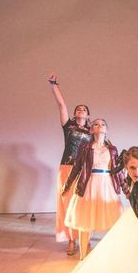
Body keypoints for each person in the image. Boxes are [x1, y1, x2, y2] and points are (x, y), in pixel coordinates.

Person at [62, 118, 126, 260]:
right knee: (85, 220)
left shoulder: (112, 149)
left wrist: (126, 190)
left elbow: (118, 171)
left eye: (103, 124)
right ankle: (83, 256)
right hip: (88, 184)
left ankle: (113, 255)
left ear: (106, 129)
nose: (100, 126)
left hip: (107, 185)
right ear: (91, 129)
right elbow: (77, 168)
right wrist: (67, 185)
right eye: (96, 124)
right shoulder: (85, 147)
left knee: (112, 220)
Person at [48, 73, 91, 256]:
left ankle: (85, 238)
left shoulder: (92, 130)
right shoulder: (69, 127)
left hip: (84, 170)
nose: (80, 110)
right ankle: (71, 240)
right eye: (78, 109)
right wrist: (54, 85)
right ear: (75, 114)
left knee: (83, 204)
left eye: (84, 109)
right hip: (66, 168)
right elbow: (61, 105)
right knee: (66, 203)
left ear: (88, 115)